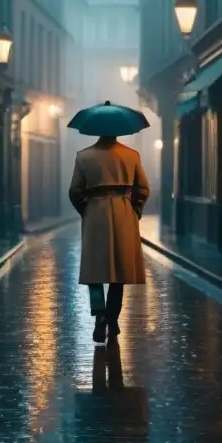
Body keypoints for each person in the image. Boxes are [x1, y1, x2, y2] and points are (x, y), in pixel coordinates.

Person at [68, 135, 150, 344]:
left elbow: (75, 191)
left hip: (95, 211)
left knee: (93, 271)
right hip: (123, 211)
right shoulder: (131, 155)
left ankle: (99, 315)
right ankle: (112, 320)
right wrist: (135, 211)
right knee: (118, 271)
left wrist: (86, 209)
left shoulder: (83, 156)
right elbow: (143, 189)